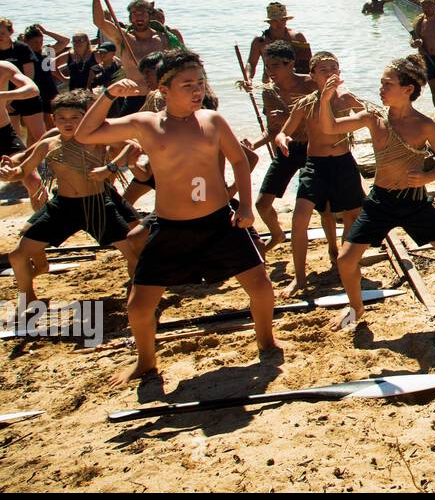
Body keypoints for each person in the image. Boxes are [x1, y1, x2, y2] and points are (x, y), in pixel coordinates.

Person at [74, 49, 278, 386]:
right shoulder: (146, 125)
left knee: (261, 287)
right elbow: (85, 133)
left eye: (200, 83)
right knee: (139, 307)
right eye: (187, 85)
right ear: (164, 91)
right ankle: (145, 362)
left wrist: (245, 206)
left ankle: (267, 341)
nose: (197, 90)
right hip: (170, 227)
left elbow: (241, 161)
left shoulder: (212, 121)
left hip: (218, 222)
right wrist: (108, 95)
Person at [320, 56, 435, 325]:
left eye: (387, 84)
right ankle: (356, 309)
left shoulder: (424, 124)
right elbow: (331, 127)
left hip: (414, 201)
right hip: (380, 200)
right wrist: (325, 101)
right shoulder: (374, 119)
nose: (380, 88)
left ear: (407, 90)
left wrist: (427, 177)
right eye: (381, 83)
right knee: (346, 260)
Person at [5, 89, 142, 302]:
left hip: (97, 204)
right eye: (61, 118)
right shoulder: (48, 143)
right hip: (62, 207)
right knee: (17, 255)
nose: (67, 122)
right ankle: (29, 298)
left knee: (133, 253)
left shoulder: (96, 138)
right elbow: (23, 170)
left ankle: (137, 295)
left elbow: (133, 147)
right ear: (53, 119)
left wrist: (110, 168)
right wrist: (11, 174)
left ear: (85, 118)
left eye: (74, 118)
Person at [275, 52, 366, 297]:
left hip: (343, 163)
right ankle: (300, 278)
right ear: (313, 75)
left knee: (352, 214)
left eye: (333, 69)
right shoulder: (306, 103)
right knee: (299, 218)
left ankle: (343, 260)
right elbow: (283, 132)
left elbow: (375, 117)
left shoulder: (346, 98)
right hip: (315, 165)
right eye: (323, 70)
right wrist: (283, 140)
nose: (329, 73)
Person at [252, 40, 329, 254]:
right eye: (267, 66)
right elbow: (272, 131)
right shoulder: (269, 92)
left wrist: (290, 116)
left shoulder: (310, 84)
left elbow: (326, 118)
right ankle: (277, 234)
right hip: (287, 149)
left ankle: (333, 248)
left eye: (275, 65)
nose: (270, 71)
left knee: (323, 207)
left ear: (290, 64)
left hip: (313, 148)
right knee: (262, 204)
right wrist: (254, 144)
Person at [91, 0, 164, 90]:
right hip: (133, 96)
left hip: (160, 96)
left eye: (142, 13)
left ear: (149, 16)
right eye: (135, 13)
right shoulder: (124, 38)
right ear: (130, 18)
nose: (139, 17)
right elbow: (100, 22)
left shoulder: (163, 38)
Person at [0, 60, 41, 203]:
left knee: (34, 181)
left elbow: (32, 89)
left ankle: (43, 221)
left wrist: (3, 95)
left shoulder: (3, 67)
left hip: (4, 134)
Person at [0, 17, 43, 144]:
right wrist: (6, 102)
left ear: (10, 32)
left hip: (26, 96)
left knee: (39, 136)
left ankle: (43, 162)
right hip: (6, 101)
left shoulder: (21, 48)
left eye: (2, 33)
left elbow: (29, 76)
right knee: (15, 136)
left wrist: (10, 97)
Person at [247, 2, 312, 77]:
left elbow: (309, 64)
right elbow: (251, 63)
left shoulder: (297, 37)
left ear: (286, 20)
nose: (279, 24)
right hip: (270, 81)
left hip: (294, 82)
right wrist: (248, 78)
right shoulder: (260, 41)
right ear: (269, 22)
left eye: (282, 20)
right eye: (274, 21)